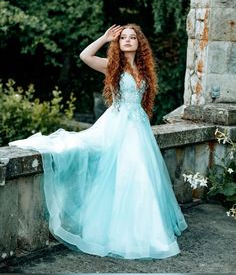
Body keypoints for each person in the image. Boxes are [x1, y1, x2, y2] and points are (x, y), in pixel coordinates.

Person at [9, 23, 188, 260]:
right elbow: (85, 56)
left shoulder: (144, 71)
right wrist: (104, 38)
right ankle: (123, 233)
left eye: (132, 37)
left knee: (141, 176)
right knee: (124, 174)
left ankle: (146, 231)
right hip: (117, 125)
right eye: (123, 37)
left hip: (138, 128)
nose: (126, 40)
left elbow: (142, 102)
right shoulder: (112, 66)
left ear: (139, 43)